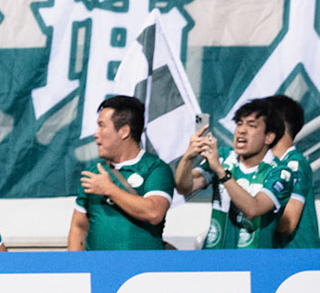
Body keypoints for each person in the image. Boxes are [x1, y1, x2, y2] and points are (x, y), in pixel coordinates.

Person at [69, 95, 180, 251]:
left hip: (144, 270)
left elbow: (154, 212)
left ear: (124, 131)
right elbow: (79, 227)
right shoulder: (94, 174)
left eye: (102, 126)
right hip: (97, 270)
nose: (96, 134)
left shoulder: (155, 169)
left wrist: (109, 189)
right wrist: (76, 268)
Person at [180, 99, 289, 251]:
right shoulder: (224, 157)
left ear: (269, 137)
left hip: (255, 262)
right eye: (239, 123)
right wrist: (188, 158)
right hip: (215, 257)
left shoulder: (280, 172)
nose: (241, 130)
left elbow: (253, 209)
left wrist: (221, 172)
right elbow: (184, 187)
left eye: (251, 125)